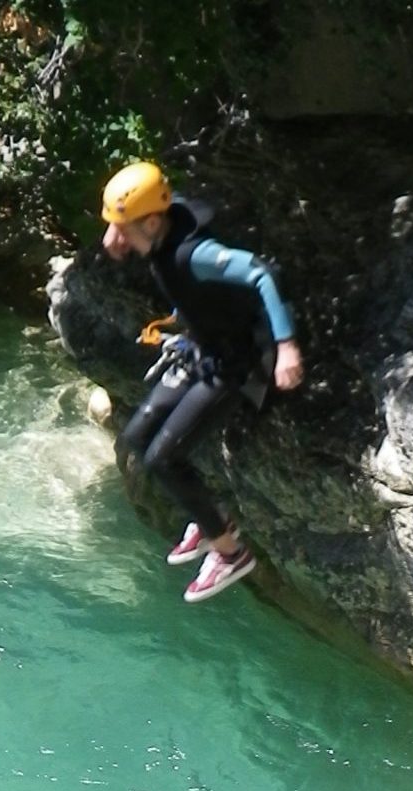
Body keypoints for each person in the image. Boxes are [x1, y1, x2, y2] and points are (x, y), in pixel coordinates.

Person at [100, 162, 304, 604]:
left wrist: (286, 348)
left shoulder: (197, 254)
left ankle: (231, 554)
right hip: (202, 351)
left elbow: (260, 274)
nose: (119, 238)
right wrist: (118, 227)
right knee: (137, 434)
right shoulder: (158, 223)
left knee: (162, 459)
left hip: (236, 363)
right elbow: (146, 201)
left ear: (153, 222)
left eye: (125, 228)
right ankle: (212, 518)